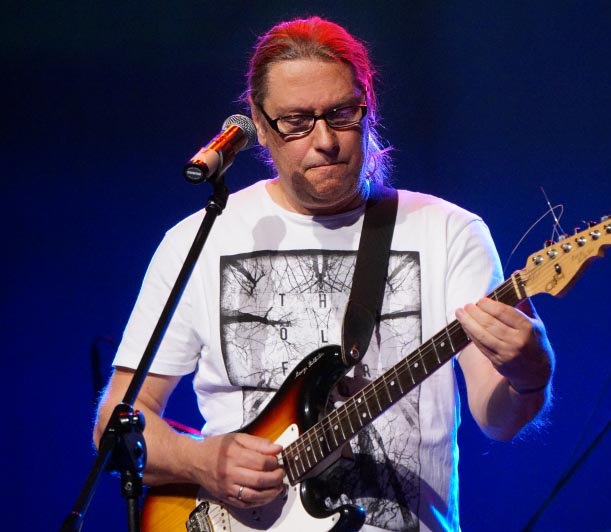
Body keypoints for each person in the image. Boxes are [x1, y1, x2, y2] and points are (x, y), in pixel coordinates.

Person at [94, 15, 554, 532]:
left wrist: (530, 374)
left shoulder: (448, 231)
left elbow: (497, 420)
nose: (325, 140)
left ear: (368, 106)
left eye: (341, 114)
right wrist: (202, 461)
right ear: (259, 124)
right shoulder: (199, 239)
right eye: (296, 121)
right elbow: (118, 421)